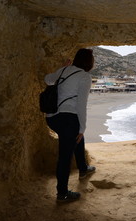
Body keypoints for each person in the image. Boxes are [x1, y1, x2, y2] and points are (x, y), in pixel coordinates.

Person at [44, 48, 96, 202]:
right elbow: (81, 104)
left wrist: (62, 68)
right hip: (68, 120)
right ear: (89, 62)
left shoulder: (64, 69)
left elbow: (48, 79)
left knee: (75, 138)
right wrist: (82, 128)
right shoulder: (85, 77)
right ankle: (62, 194)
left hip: (52, 118)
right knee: (65, 157)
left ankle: (83, 168)